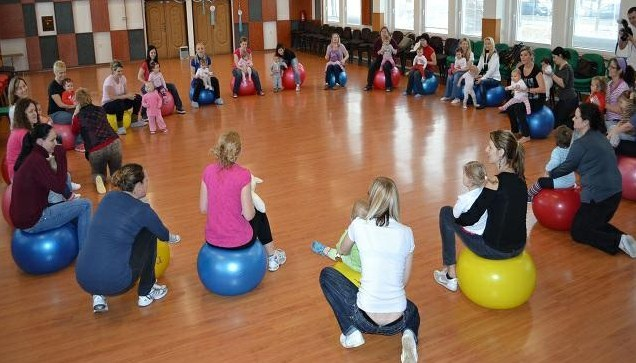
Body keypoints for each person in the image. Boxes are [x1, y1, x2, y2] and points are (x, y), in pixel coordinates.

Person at [318, 177, 419, 363]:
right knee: (412, 310)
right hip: (396, 322)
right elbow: (404, 281)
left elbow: (341, 250)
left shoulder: (359, 225)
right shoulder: (407, 233)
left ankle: (350, 331)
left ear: (372, 199)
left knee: (327, 275)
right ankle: (409, 336)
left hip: (362, 318)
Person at [75, 163, 181, 313]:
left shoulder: (108, 198)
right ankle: (146, 292)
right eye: (146, 180)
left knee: (106, 241)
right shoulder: (143, 211)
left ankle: (98, 296)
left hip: (84, 278)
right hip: (117, 284)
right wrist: (175, 238)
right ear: (138, 186)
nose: (148, 182)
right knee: (149, 232)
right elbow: (164, 235)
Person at [434, 130, 527, 292]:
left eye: (490, 147)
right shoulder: (521, 179)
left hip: (495, 250)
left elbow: (470, 218)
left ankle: (450, 274)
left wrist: (456, 220)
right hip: (519, 246)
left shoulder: (494, 182)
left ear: (501, 152)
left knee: (446, 213)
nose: (486, 150)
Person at [548, 104, 636, 258]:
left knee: (578, 231)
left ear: (586, 122)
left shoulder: (581, 144)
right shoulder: (599, 135)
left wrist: (550, 173)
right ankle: (623, 239)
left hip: (600, 197)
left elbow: (567, 166)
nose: (573, 119)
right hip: (614, 193)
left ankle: (617, 240)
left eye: (576, 117)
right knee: (592, 225)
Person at [200, 131, 286, 271]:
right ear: (238, 152)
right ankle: (272, 257)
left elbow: (203, 208)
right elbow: (248, 215)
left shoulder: (207, 171)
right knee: (260, 213)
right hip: (239, 242)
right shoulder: (243, 174)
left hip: (212, 240)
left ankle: (272, 257)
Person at [9, 123, 92, 250]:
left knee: (73, 204)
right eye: (52, 140)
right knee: (86, 205)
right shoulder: (37, 161)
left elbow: (55, 182)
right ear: (40, 141)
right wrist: (61, 156)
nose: (55, 144)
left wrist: (55, 166)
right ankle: (86, 253)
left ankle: (84, 235)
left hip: (24, 219)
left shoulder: (33, 157)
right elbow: (59, 186)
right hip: (34, 221)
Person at [71, 88, 122, 194]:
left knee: (98, 172)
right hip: (114, 142)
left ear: (77, 102)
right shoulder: (101, 109)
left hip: (96, 149)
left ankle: (99, 178)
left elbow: (74, 131)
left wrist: (75, 114)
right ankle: (117, 179)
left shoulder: (78, 117)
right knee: (116, 170)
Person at [311, 199, 369, 272]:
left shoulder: (349, 233)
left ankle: (324, 250)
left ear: (351, 218)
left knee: (339, 255)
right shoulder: (375, 232)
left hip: (357, 267)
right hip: (370, 266)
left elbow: (340, 249)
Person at [506, 46, 546, 144]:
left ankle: (526, 135)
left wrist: (527, 89)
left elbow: (543, 89)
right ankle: (515, 131)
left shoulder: (537, 70)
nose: (523, 57)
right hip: (524, 98)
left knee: (518, 107)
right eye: (521, 55)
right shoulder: (519, 69)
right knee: (510, 106)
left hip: (536, 100)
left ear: (531, 56)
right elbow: (515, 82)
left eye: (525, 55)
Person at [527, 125, 576, 201]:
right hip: (572, 180)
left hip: (562, 183)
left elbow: (554, 163)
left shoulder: (557, 151)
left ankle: (528, 195)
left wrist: (547, 169)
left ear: (557, 140)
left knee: (541, 181)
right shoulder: (572, 149)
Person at [137, 45, 186, 114]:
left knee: (172, 86)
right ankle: (144, 114)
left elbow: (159, 76)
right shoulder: (145, 64)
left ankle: (179, 107)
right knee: (146, 92)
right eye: (151, 53)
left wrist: (163, 85)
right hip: (149, 85)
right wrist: (146, 83)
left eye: (154, 53)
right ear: (148, 53)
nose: (153, 54)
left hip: (158, 84)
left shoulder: (156, 63)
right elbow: (139, 77)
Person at [102, 60, 145, 135]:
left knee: (137, 97)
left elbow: (126, 92)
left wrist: (131, 96)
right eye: (119, 71)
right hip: (108, 105)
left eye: (122, 71)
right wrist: (126, 96)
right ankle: (120, 127)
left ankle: (134, 122)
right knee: (119, 102)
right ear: (113, 71)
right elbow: (112, 97)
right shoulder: (108, 81)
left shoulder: (123, 78)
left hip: (120, 102)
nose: (121, 73)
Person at [453, 161, 488, 235]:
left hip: (470, 231)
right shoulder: (485, 193)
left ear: (470, 180)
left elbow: (455, 214)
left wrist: (458, 204)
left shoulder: (464, 199)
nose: (462, 176)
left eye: (464, 174)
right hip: (482, 229)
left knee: (446, 212)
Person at [550, 47, 579, 129]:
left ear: (560, 56)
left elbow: (563, 84)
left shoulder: (566, 68)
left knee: (558, 124)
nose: (553, 59)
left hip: (569, 99)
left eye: (554, 57)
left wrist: (551, 74)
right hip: (563, 99)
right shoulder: (559, 66)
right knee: (553, 119)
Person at [363, 27, 399, 92]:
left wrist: (392, 52)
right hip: (380, 59)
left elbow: (397, 50)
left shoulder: (391, 40)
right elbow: (374, 52)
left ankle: (389, 86)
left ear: (388, 33)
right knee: (372, 66)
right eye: (382, 32)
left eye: (385, 32)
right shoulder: (378, 41)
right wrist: (379, 53)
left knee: (386, 66)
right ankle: (369, 85)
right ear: (380, 33)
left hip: (389, 59)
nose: (384, 33)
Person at [190, 42, 223, 107]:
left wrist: (209, 75)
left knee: (215, 80)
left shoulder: (208, 59)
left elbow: (210, 71)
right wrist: (197, 76)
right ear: (196, 50)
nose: (200, 50)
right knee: (199, 82)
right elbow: (192, 74)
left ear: (204, 50)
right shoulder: (194, 60)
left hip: (206, 77)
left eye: (202, 48)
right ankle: (194, 101)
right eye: (198, 49)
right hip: (198, 78)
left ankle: (217, 98)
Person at [441, 38, 474, 103]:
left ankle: (456, 97)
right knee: (450, 76)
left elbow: (468, 67)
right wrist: (453, 69)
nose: (465, 45)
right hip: (459, 70)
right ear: (460, 44)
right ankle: (448, 95)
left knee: (457, 75)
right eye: (463, 44)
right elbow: (456, 64)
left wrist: (458, 70)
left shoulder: (471, 54)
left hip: (467, 72)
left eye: (467, 44)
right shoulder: (458, 53)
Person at [605, 58, 634, 127]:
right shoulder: (609, 83)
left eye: (612, 67)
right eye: (609, 66)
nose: (609, 69)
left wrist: (603, 103)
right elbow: (607, 101)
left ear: (620, 70)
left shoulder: (623, 87)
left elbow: (620, 110)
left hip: (617, 121)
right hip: (608, 118)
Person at [474, 37, 501, 109]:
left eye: (489, 44)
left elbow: (491, 71)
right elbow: (479, 67)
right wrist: (475, 75)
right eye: (485, 44)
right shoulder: (483, 55)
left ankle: (483, 103)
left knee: (482, 82)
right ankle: (471, 100)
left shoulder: (495, 55)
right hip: (487, 76)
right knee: (474, 80)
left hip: (495, 78)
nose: (487, 45)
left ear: (492, 45)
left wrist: (482, 78)